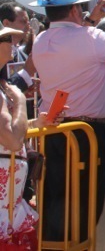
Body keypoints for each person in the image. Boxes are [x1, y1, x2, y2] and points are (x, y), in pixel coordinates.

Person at [30, 0, 105, 243]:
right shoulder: (91, 39)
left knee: (54, 198)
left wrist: (90, 20)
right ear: (76, 10)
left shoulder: (41, 40)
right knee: (86, 203)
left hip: (53, 130)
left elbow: (75, 41)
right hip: (88, 134)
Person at [1, 22, 64, 248]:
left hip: (10, 202)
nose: (12, 43)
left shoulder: (3, 85)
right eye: (5, 39)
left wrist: (36, 123)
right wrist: (19, 101)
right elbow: (11, 140)